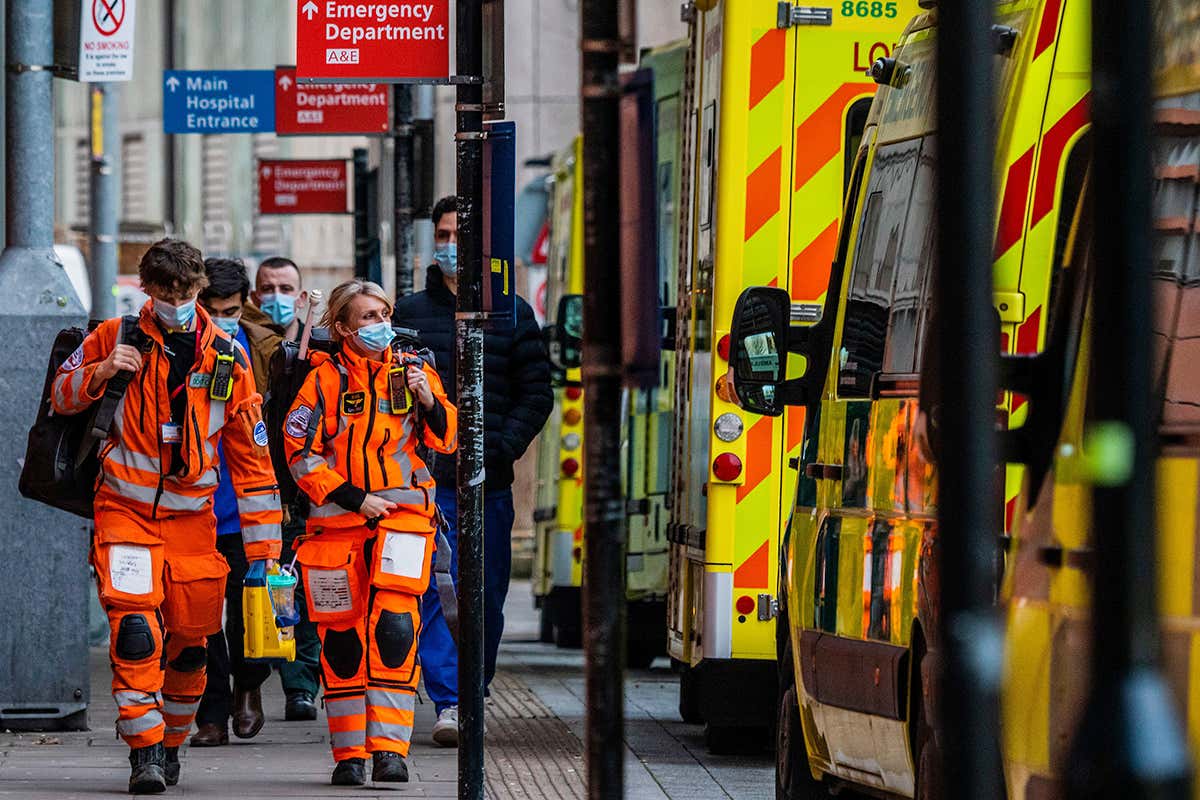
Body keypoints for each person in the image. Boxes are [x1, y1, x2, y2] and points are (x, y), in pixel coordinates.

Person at [51, 239, 282, 794]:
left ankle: (172, 740)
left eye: (185, 291)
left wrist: (265, 555)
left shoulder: (228, 354)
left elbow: (251, 457)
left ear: (199, 288)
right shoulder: (113, 336)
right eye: (164, 292)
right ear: (146, 288)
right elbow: (60, 396)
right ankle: (144, 749)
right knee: (134, 632)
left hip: (192, 525)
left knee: (190, 646)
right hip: (124, 513)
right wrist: (102, 370)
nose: (176, 301)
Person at [391, 195, 553, 747]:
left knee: (485, 595)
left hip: (488, 485)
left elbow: (536, 393)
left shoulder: (512, 312)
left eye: (461, 235)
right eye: (442, 233)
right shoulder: (408, 314)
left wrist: (499, 449)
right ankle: (451, 700)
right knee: (435, 593)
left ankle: (472, 686)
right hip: (424, 482)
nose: (450, 245)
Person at [283, 280, 457, 786]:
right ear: (340, 327)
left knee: (395, 632)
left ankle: (389, 750)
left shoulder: (414, 373)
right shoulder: (320, 382)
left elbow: (447, 439)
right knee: (341, 643)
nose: (379, 323)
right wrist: (355, 498)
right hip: (335, 529)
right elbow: (300, 455)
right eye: (366, 317)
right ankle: (349, 754)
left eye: (383, 313)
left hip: (403, 522)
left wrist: (428, 399)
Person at [190, 258, 321, 747]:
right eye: (211, 309)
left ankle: (249, 688)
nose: (220, 319)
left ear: (243, 305)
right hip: (196, 506)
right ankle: (213, 712)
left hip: (252, 507)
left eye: (229, 310)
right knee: (200, 616)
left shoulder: (264, 350)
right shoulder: (181, 348)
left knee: (249, 612)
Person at [244, 255, 308, 341]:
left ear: (301, 299)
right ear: (254, 298)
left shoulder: (318, 345)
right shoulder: (242, 344)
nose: (277, 296)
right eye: (267, 289)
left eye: (286, 288)